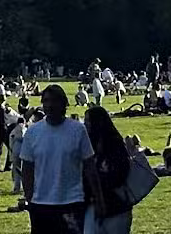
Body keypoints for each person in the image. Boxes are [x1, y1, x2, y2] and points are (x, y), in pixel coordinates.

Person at [16, 85, 92, 234]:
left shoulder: (78, 130)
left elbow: (89, 166)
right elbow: (27, 169)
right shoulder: (33, 132)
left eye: (54, 101)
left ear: (63, 103)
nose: (50, 105)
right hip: (41, 204)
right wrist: (30, 197)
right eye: (46, 101)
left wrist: (95, 196)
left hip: (72, 203)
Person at [83, 106, 133, 234]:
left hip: (116, 206)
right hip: (92, 204)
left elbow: (119, 175)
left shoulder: (115, 146)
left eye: (88, 121)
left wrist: (97, 183)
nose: (85, 124)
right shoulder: (87, 145)